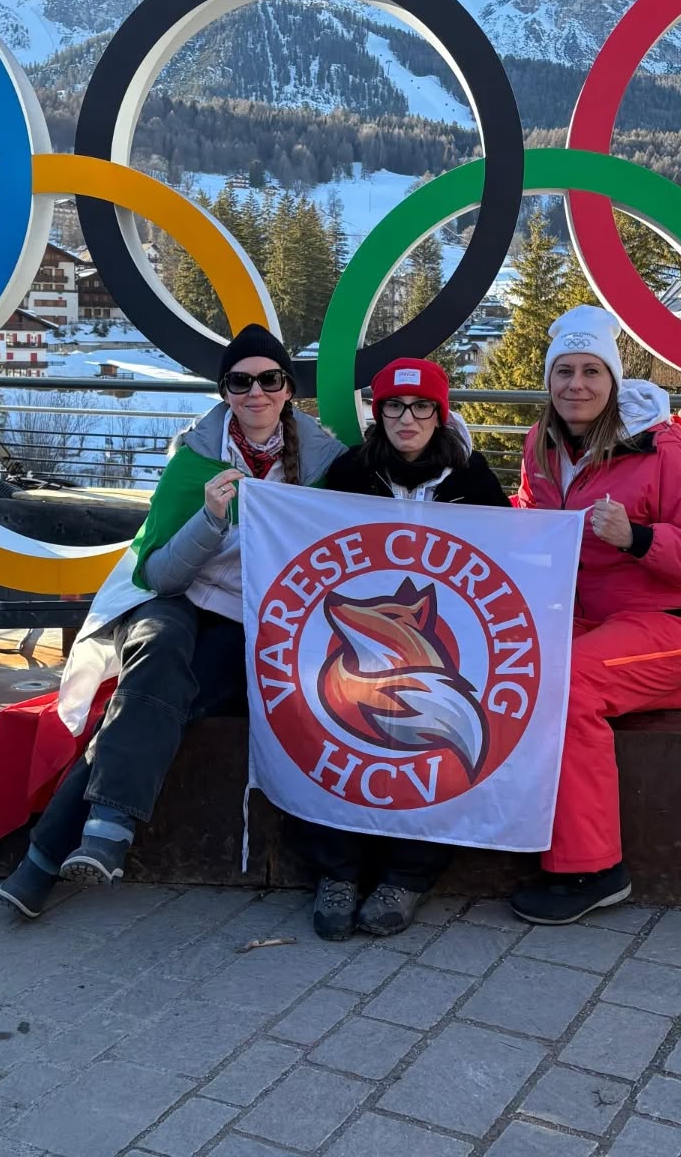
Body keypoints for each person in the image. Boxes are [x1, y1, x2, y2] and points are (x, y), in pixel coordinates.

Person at [0, 324, 344, 918]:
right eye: (240, 381)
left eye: (269, 379)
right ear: (224, 390)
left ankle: (52, 854)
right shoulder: (194, 459)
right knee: (157, 651)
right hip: (179, 597)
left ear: (288, 389)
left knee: (157, 701)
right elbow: (158, 574)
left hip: (256, 619)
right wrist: (210, 518)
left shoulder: (321, 463)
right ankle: (104, 832)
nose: (255, 392)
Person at [509, 307, 681, 926]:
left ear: (613, 382)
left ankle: (592, 869)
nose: (577, 385)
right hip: (590, 620)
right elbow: (531, 510)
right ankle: (680, 690)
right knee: (515, 666)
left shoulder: (658, 447)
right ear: (549, 380)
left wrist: (636, 537)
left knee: (568, 687)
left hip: (669, 620)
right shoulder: (543, 443)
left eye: (592, 372)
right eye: (564, 371)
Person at [291, 358, 511, 941]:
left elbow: (510, 558)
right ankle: (337, 874)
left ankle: (407, 878)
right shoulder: (351, 472)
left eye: (421, 408)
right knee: (323, 733)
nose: (407, 418)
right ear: (378, 411)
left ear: (440, 415)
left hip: (447, 649)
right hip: (354, 651)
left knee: (450, 749)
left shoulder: (472, 478)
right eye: (394, 405)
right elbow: (310, 548)